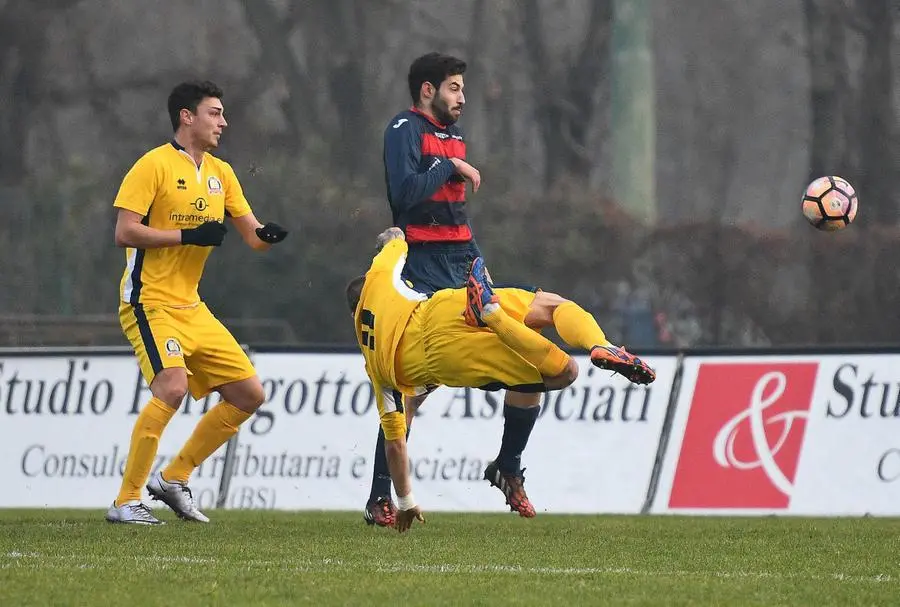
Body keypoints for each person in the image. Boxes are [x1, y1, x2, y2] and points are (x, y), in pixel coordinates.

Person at [349, 228, 655, 532]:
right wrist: (391, 238)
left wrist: (406, 502)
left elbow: (395, 445)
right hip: (442, 310)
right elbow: (394, 239)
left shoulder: (375, 369)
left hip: (448, 364)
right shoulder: (378, 277)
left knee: (564, 372)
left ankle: (492, 317)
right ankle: (596, 342)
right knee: (552, 306)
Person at [364, 51, 545, 526]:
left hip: (462, 257)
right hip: (422, 265)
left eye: (462, 88)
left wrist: (477, 264)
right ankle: (381, 497)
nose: (462, 96)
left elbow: (454, 213)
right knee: (411, 389)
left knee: (523, 352)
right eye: (454, 88)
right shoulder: (404, 130)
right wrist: (451, 167)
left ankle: (507, 466)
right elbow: (403, 195)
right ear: (428, 90)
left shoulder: (453, 136)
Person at [105, 81, 289, 525]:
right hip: (149, 302)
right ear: (187, 117)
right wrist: (185, 235)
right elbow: (124, 232)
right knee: (172, 386)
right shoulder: (153, 165)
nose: (223, 122)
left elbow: (251, 235)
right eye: (215, 113)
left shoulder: (221, 173)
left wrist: (267, 237)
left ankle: (173, 479)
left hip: (191, 306)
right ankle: (127, 500)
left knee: (249, 394)